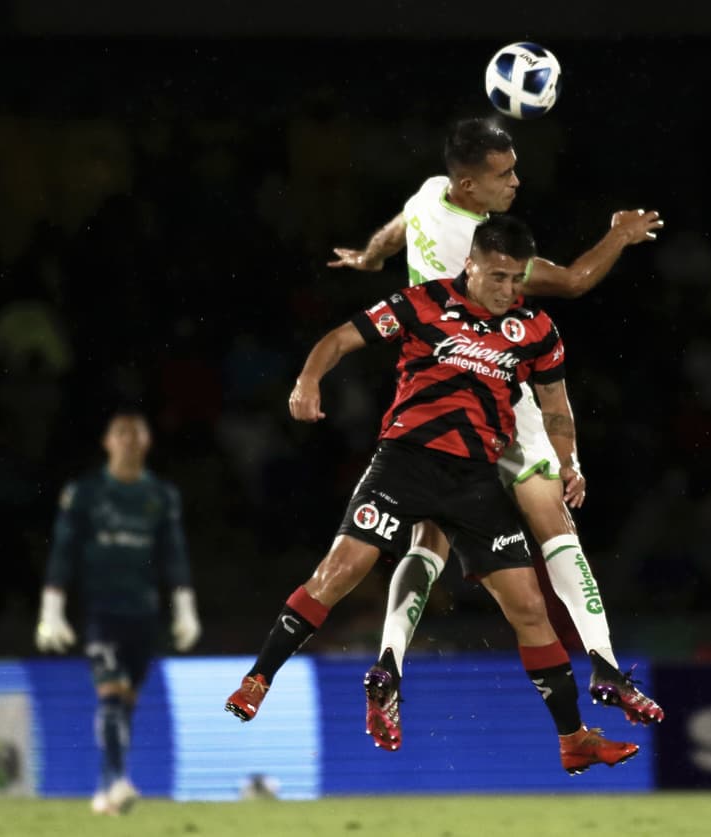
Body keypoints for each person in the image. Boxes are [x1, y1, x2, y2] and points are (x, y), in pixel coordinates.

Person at [227, 216, 639, 775]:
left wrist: (568, 463)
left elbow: (556, 408)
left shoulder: (537, 329)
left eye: (516, 278)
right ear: (470, 264)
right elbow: (340, 338)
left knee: (529, 609)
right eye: (497, 276)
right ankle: (258, 678)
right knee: (339, 572)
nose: (507, 289)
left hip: (476, 481)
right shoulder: (420, 303)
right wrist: (308, 379)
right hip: (405, 464)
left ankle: (574, 739)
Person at [327, 118, 665, 747]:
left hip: (433, 398)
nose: (515, 182)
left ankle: (389, 663)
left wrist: (372, 256)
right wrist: (619, 235)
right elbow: (574, 281)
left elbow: (401, 223)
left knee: (429, 537)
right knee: (554, 520)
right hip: (496, 392)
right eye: (503, 174)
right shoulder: (483, 252)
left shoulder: (431, 193)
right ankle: (606, 664)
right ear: (468, 184)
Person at [34, 409, 202, 814]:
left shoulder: (160, 496)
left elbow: (174, 553)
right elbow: (63, 550)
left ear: (147, 442)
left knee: (126, 701)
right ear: (107, 442)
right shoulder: (85, 492)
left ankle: (104, 789)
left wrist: (185, 608)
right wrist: (52, 608)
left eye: (135, 433)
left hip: (143, 614)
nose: (128, 440)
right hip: (101, 612)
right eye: (120, 433)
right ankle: (117, 781)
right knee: (110, 693)